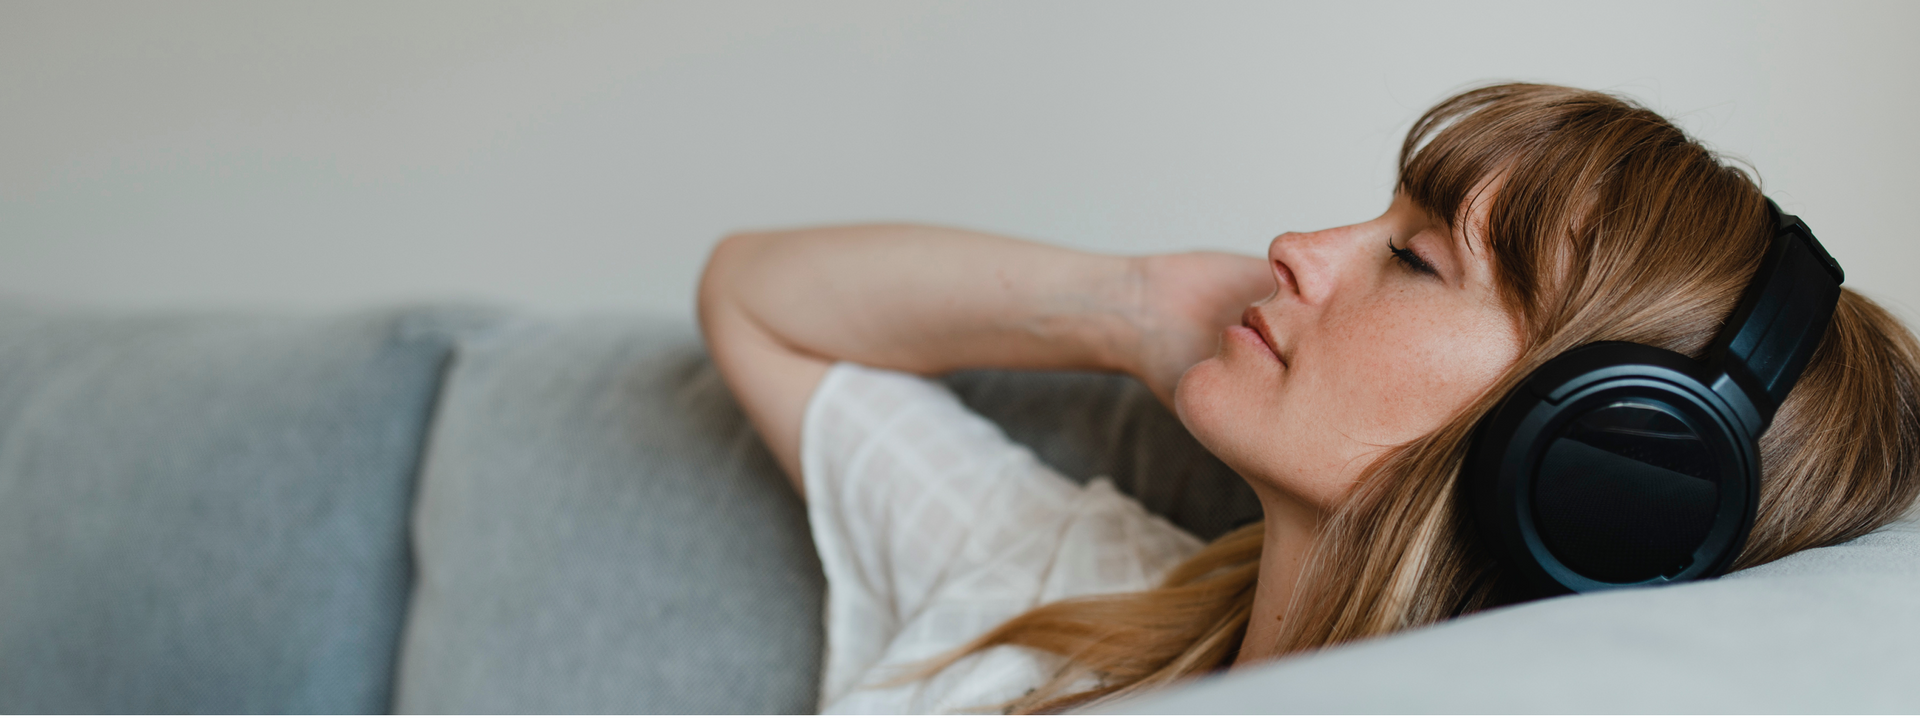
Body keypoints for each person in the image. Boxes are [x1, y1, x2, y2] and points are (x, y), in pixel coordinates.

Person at [695, 82, 1920, 714]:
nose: (1294, 244)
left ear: (1592, 465)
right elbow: (756, 296)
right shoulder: (1070, 590)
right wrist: (1136, 305)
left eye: (1417, 256)